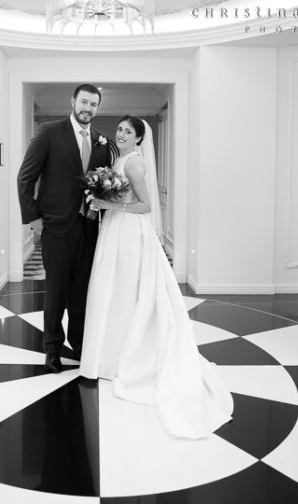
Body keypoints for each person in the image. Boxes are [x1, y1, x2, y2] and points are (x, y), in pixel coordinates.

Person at [79, 115, 234, 439]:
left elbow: (146, 206)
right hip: (115, 230)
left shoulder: (133, 164)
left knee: (124, 291)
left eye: (128, 131)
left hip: (129, 233)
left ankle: (122, 357)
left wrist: (108, 203)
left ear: (138, 139)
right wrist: (105, 201)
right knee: (113, 289)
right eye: (120, 129)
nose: (121, 134)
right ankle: (108, 355)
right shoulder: (119, 159)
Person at [17, 84, 115, 373]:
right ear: (73, 102)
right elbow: (25, 178)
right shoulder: (49, 132)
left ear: (98, 108)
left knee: (81, 293)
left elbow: (101, 185)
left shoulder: (101, 141)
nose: (88, 108)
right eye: (84, 101)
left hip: (88, 229)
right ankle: (51, 349)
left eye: (94, 104)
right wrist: (32, 219)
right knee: (56, 292)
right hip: (56, 228)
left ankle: (80, 345)